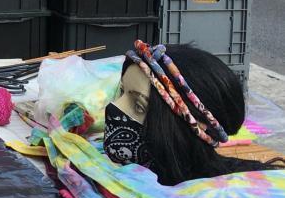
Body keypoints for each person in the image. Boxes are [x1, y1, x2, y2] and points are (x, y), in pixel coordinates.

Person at [105, 43, 283, 186]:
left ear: (198, 127)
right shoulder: (112, 179)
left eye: (139, 106)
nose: (113, 107)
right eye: (121, 92)